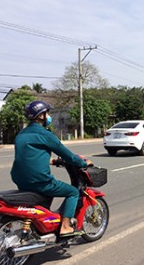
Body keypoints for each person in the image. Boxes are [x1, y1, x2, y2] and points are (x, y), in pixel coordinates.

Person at [10, 100, 92, 238]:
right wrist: (84, 163)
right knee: (72, 192)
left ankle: (44, 224)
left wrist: (52, 161)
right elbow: (69, 156)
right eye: (47, 113)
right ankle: (65, 227)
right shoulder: (45, 134)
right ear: (41, 116)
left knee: (46, 194)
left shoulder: (21, 134)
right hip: (40, 180)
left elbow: (29, 155)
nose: (49, 116)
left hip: (20, 179)